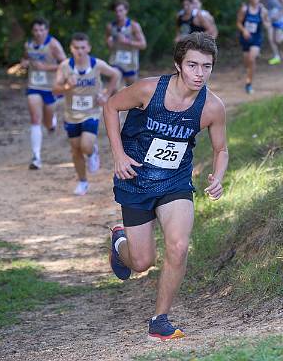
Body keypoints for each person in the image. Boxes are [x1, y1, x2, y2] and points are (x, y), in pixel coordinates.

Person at [105, 32, 228, 341]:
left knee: (178, 246)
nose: (200, 73)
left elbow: (221, 149)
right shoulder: (149, 90)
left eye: (207, 66)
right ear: (178, 65)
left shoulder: (211, 107)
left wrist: (219, 176)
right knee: (142, 262)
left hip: (175, 181)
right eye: (192, 65)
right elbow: (110, 106)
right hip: (135, 179)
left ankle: (159, 320)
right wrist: (118, 155)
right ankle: (120, 244)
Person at [53, 33, 121, 195]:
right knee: (76, 149)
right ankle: (83, 181)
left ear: (88, 48)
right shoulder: (64, 66)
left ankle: (92, 152)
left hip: (91, 112)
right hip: (71, 115)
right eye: (76, 48)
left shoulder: (96, 64)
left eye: (83, 47)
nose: (80, 51)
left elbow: (115, 74)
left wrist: (106, 94)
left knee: (86, 145)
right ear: (71, 48)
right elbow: (55, 89)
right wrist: (67, 87)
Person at [21, 17, 67, 170]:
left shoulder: (53, 44)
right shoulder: (28, 45)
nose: (38, 33)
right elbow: (26, 59)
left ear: (46, 30)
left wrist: (45, 67)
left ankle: (51, 122)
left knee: (47, 122)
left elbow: (65, 64)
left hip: (51, 87)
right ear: (32, 31)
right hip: (34, 86)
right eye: (35, 30)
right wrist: (24, 63)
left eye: (41, 30)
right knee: (35, 118)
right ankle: (36, 157)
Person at [235, 0, 271, 94]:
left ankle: (249, 83)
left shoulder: (263, 10)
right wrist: (244, 30)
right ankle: (250, 72)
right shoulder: (244, 9)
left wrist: (266, 23)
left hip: (256, 38)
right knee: (247, 62)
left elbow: (267, 23)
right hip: (245, 38)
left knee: (251, 58)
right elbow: (238, 23)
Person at [105, 0, 147, 86]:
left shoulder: (133, 26)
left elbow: (143, 45)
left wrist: (127, 41)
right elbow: (109, 44)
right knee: (114, 88)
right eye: (116, 11)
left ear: (126, 11)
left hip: (130, 63)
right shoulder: (110, 27)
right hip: (116, 61)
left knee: (132, 90)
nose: (118, 13)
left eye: (121, 10)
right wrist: (109, 43)